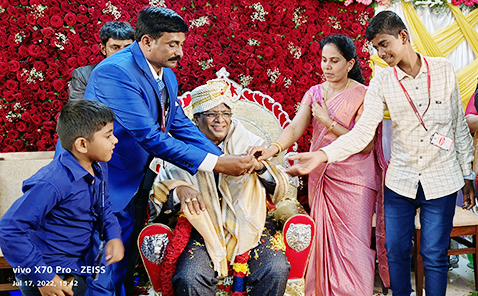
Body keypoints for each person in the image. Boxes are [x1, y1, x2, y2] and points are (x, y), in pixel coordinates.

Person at [284, 11, 475, 296]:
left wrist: (467, 174)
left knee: (434, 255)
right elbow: (362, 134)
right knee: (396, 250)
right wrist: (322, 155)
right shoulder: (382, 82)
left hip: (442, 178)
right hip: (401, 181)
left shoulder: (443, 69)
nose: (381, 53)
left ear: (403, 37)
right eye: (375, 47)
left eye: (384, 44)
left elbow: (459, 124)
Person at [82, 7, 254, 296]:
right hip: (106, 178)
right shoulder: (115, 72)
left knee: (125, 262)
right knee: (105, 263)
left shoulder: (166, 74)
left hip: (138, 176)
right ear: (147, 42)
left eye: (182, 44)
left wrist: (221, 154)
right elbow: (150, 136)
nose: (181, 52)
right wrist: (217, 164)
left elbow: (178, 123)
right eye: (173, 44)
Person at [250, 34, 384, 296]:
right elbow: (296, 127)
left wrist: (327, 121)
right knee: (322, 240)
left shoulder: (364, 95)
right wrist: (273, 149)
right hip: (321, 174)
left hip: (355, 179)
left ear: (350, 64)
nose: (327, 67)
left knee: (353, 243)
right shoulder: (315, 93)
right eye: (324, 60)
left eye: (335, 61)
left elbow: (366, 144)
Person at [152, 80, 290, 296]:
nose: (220, 120)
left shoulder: (249, 142)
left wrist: (259, 167)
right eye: (211, 113)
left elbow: (279, 186)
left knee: (276, 268)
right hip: (201, 231)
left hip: (251, 226)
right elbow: (157, 195)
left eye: (225, 113)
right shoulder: (181, 148)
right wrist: (179, 190)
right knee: (190, 277)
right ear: (196, 119)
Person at [0, 100, 124, 296]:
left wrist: (113, 235)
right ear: (82, 144)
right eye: (108, 136)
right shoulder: (53, 182)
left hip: (77, 264)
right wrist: (44, 278)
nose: (115, 140)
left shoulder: (99, 166)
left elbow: (103, 205)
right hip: (46, 269)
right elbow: (10, 229)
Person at [69, 21, 134, 101]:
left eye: (127, 48)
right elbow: (77, 111)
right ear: (103, 49)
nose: (122, 53)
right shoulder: (83, 76)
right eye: (115, 47)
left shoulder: (143, 73)